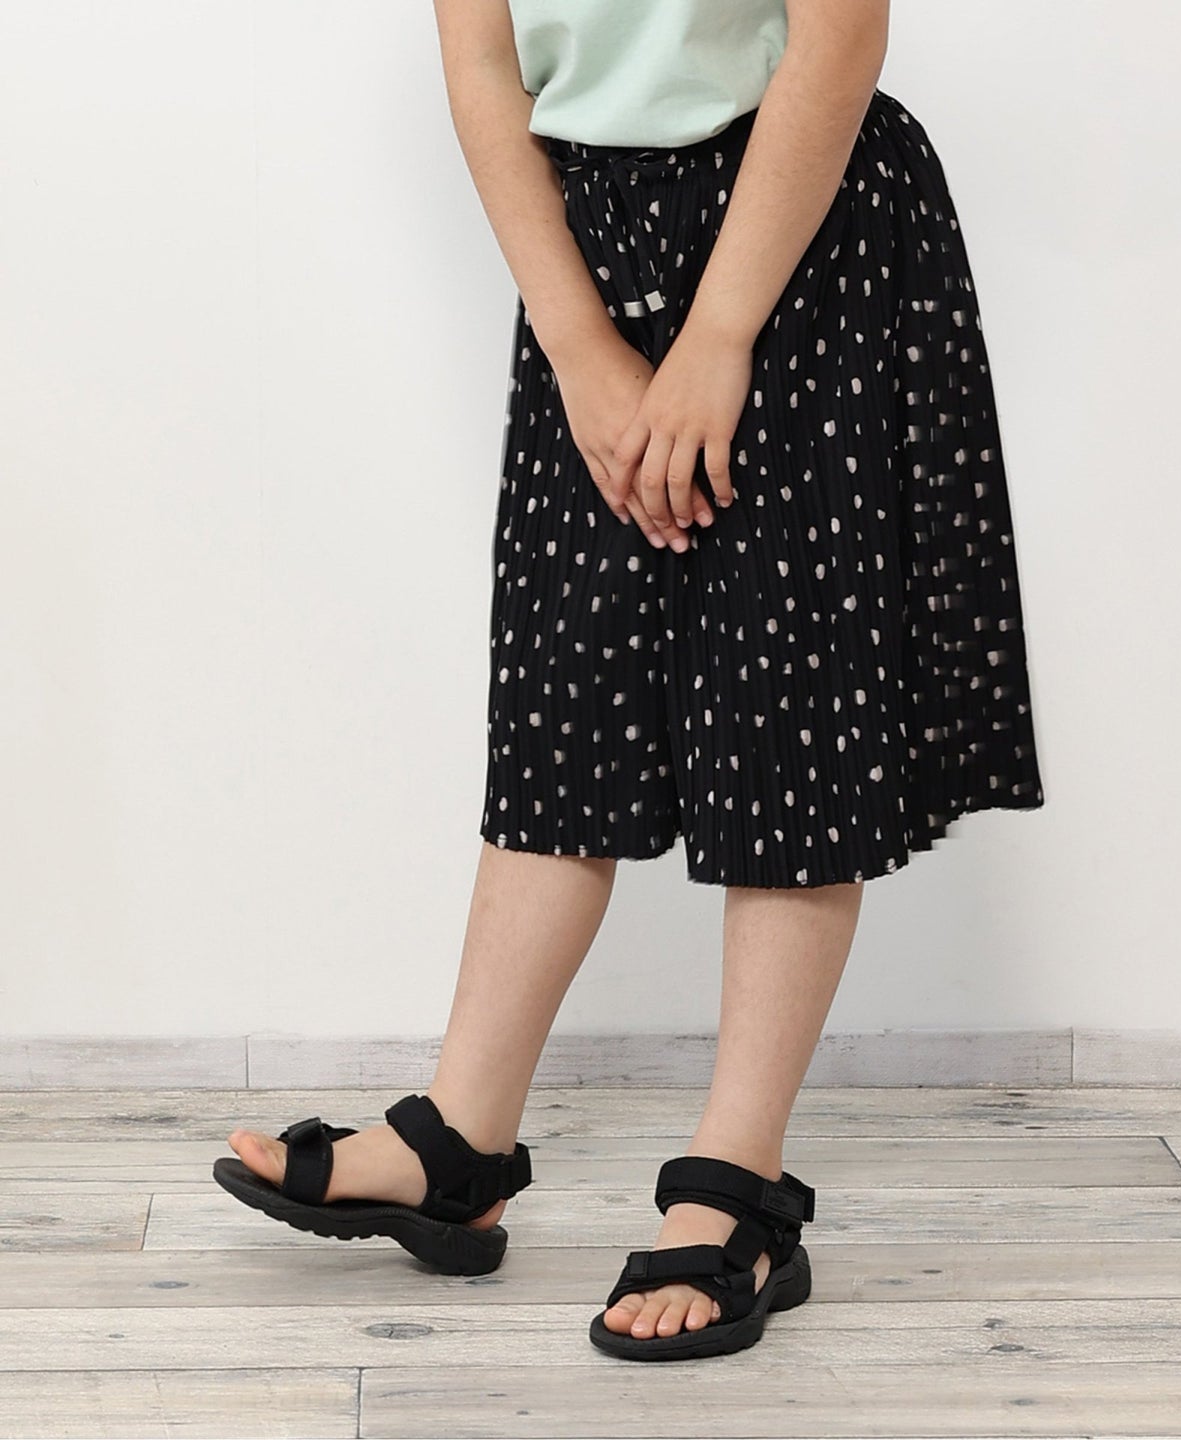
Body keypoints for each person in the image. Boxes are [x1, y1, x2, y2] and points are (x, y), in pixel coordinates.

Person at [212, 0, 1046, 1363]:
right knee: (565, 697)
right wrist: (580, 345)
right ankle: (460, 1138)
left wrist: (719, 336)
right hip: (590, 248)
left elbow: (838, 37)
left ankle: (737, 1185)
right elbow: (483, 62)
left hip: (796, 227)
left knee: (789, 717)